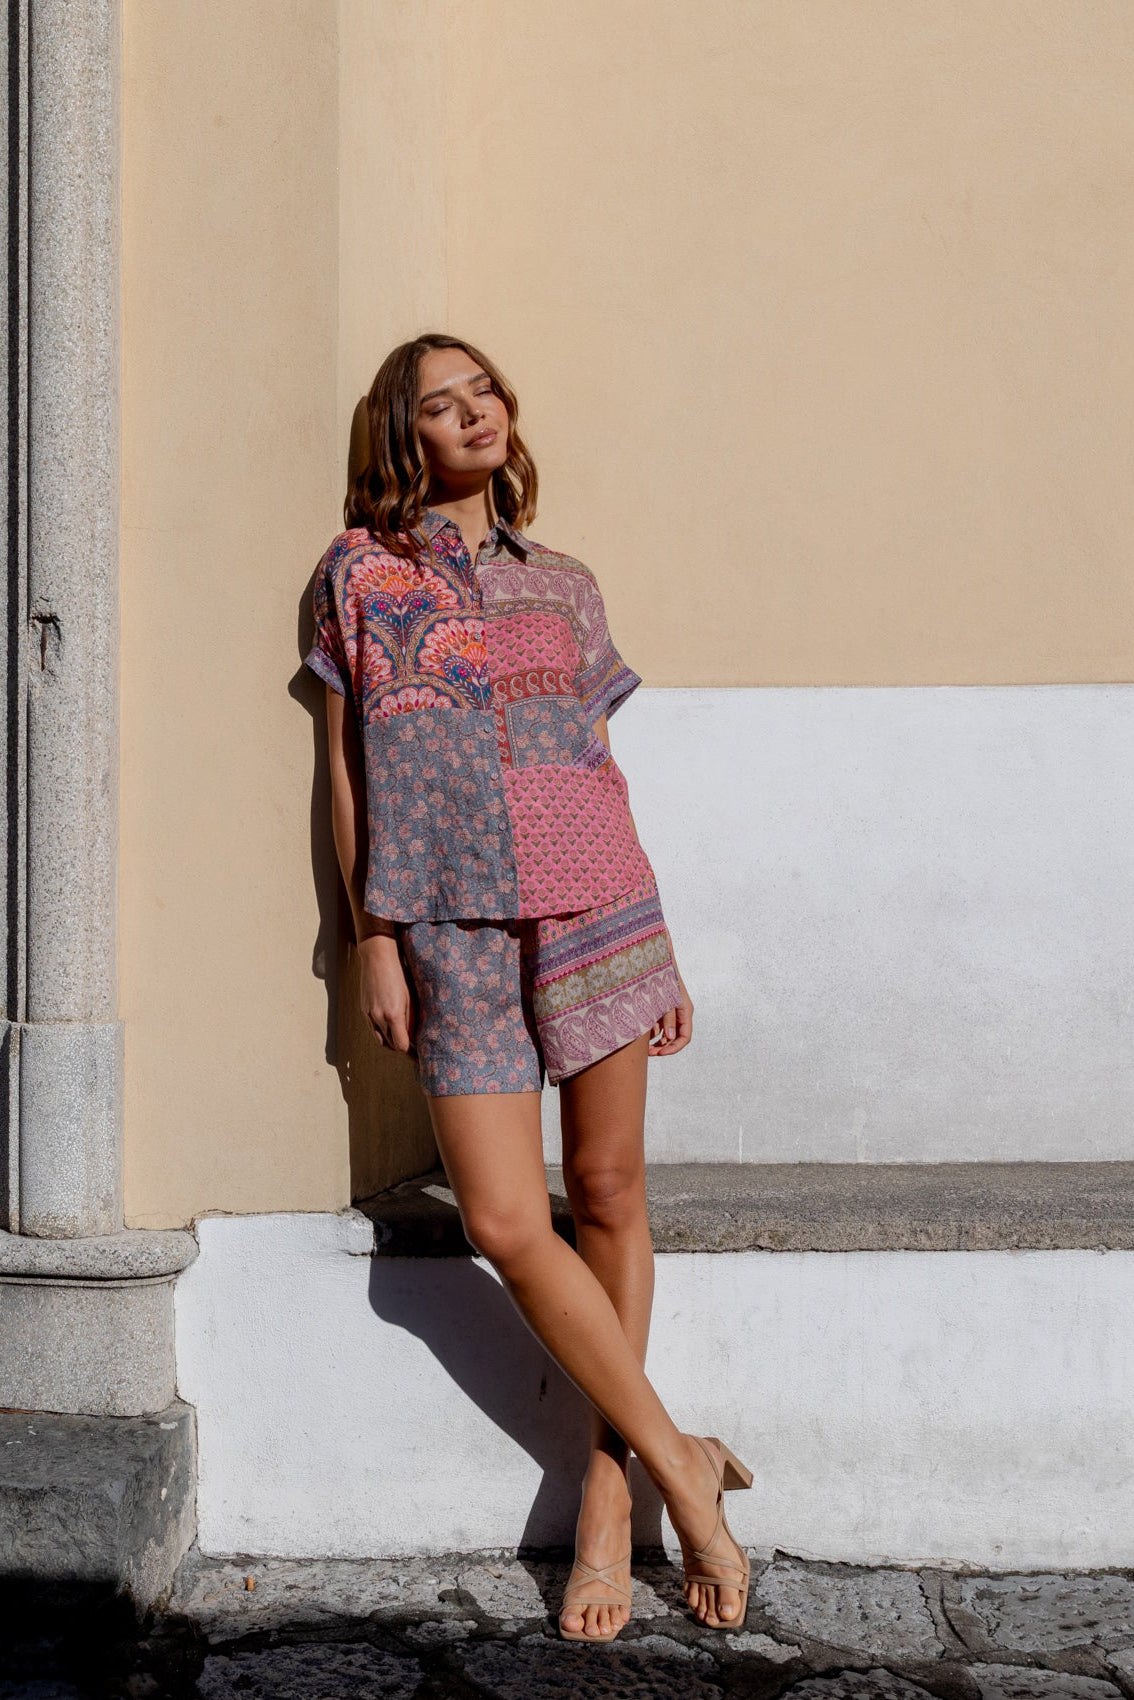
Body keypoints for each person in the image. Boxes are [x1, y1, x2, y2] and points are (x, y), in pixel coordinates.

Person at [305, 333, 753, 1643]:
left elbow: (599, 765)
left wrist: (657, 938)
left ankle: (610, 1503)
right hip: (447, 922)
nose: (472, 414)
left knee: (607, 1192)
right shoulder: (359, 574)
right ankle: (684, 1460)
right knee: (507, 1218)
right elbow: (346, 773)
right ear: (404, 438)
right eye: (438, 405)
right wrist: (371, 937)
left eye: (483, 391)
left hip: (595, 900)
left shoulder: (564, 582)